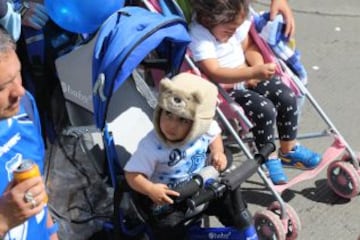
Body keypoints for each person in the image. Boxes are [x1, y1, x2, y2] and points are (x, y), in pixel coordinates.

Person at [188, 0, 321, 185]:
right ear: (207, 19)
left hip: (250, 76)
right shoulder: (199, 35)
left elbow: (248, 46)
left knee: (286, 95)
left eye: (236, 29)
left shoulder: (232, 20)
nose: (232, 34)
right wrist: (251, 72)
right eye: (228, 31)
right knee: (264, 109)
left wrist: (258, 66)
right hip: (227, 90)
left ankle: (288, 149)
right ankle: (268, 156)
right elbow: (214, 72)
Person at [124, 73, 257, 240]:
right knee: (169, 229)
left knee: (229, 197)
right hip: (168, 201)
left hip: (200, 189)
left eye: (183, 120)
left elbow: (214, 132)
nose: (171, 125)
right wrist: (151, 189)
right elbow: (132, 175)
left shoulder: (203, 128)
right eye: (168, 114)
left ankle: (241, 228)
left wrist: (218, 151)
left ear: (198, 123)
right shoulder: (152, 145)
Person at [0, 28, 58, 239]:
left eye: (18, 75)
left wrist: (52, 234)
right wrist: (3, 220)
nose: (19, 91)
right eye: (2, 88)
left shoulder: (24, 107)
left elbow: (37, 191)